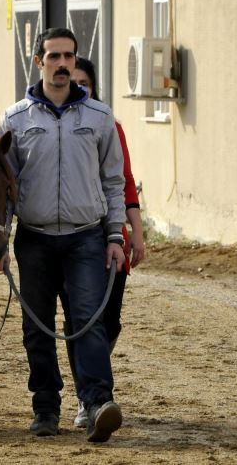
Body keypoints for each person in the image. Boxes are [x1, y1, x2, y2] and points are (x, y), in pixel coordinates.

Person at [0, 28, 126, 443]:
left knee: (88, 320)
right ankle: (45, 409)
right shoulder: (14, 119)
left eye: (69, 56)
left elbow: (114, 182)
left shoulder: (100, 117)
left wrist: (115, 236)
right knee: (36, 327)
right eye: (53, 56)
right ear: (39, 62)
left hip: (85, 237)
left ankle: (97, 403)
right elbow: (5, 188)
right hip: (33, 239)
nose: (62, 64)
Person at [64, 56, 146, 428]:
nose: (79, 87)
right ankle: (90, 397)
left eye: (86, 82)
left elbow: (125, 182)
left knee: (108, 322)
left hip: (109, 235)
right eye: (73, 81)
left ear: (93, 87)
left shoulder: (110, 126)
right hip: (70, 239)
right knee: (80, 321)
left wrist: (137, 233)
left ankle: (92, 373)